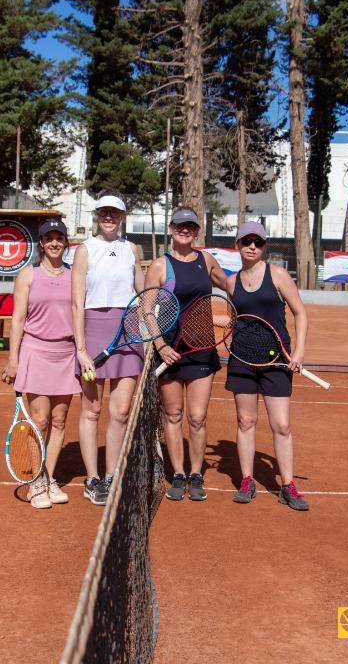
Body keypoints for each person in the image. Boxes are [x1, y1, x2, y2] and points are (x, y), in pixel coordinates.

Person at [225, 221, 311, 511]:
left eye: (258, 242)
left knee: (282, 425)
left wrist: (298, 352)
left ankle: (287, 484)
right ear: (237, 245)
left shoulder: (277, 274)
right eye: (246, 241)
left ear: (263, 247)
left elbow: (300, 313)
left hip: (277, 360)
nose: (252, 246)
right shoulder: (231, 282)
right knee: (245, 422)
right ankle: (247, 480)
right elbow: (234, 320)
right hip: (242, 359)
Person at [147, 207, 229, 502]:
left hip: (202, 350)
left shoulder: (206, 260)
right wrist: (161, 346)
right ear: (171, 228)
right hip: (169, 352)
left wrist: (258, 295)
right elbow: (146, 310)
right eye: (181, 225)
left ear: (196, 231)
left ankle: (196, 474)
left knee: (197, 417)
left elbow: (231, 285)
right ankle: (178, 474)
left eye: (191, 226)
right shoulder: (159, 265)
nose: (185, 230)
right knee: (173, 414)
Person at [1, 218, 80, 510]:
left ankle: (48, 477)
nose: (55, 243)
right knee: (40, 420)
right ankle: (35, 479)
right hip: (35, 351)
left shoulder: (75, 275)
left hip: (67, 353)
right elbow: (18, 319)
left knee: (59, 421)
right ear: (42, 243)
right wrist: (13, 359)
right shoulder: (27, 275)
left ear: (66, 241)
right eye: (49, 238)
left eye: (59, 237)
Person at [72, 191, 144, 506]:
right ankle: (92, 479)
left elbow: (144, 295)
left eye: (114, 213)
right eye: (104, 212)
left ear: (122, 217)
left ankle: (113, 475)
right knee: (92, 410)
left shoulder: (132, 249)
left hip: (128, 332)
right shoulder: (85, 250)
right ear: (98, 215)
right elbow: (76, 302)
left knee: (121, 411)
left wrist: (152, 335)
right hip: (94, 331)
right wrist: (81, 348)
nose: (109, 217)